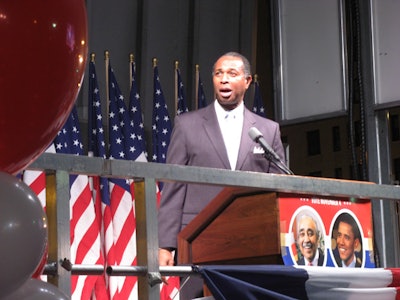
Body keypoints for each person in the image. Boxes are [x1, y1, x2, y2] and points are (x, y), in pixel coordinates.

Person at [158, 51, 287, 299]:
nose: (224, 79)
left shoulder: (268, 130)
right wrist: (165, 244)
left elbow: (279, 190)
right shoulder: (187, 125)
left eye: (232, 73)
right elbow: (174, 187)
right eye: (219, 74)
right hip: (199, 240)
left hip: (253, 241)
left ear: (247, 82)